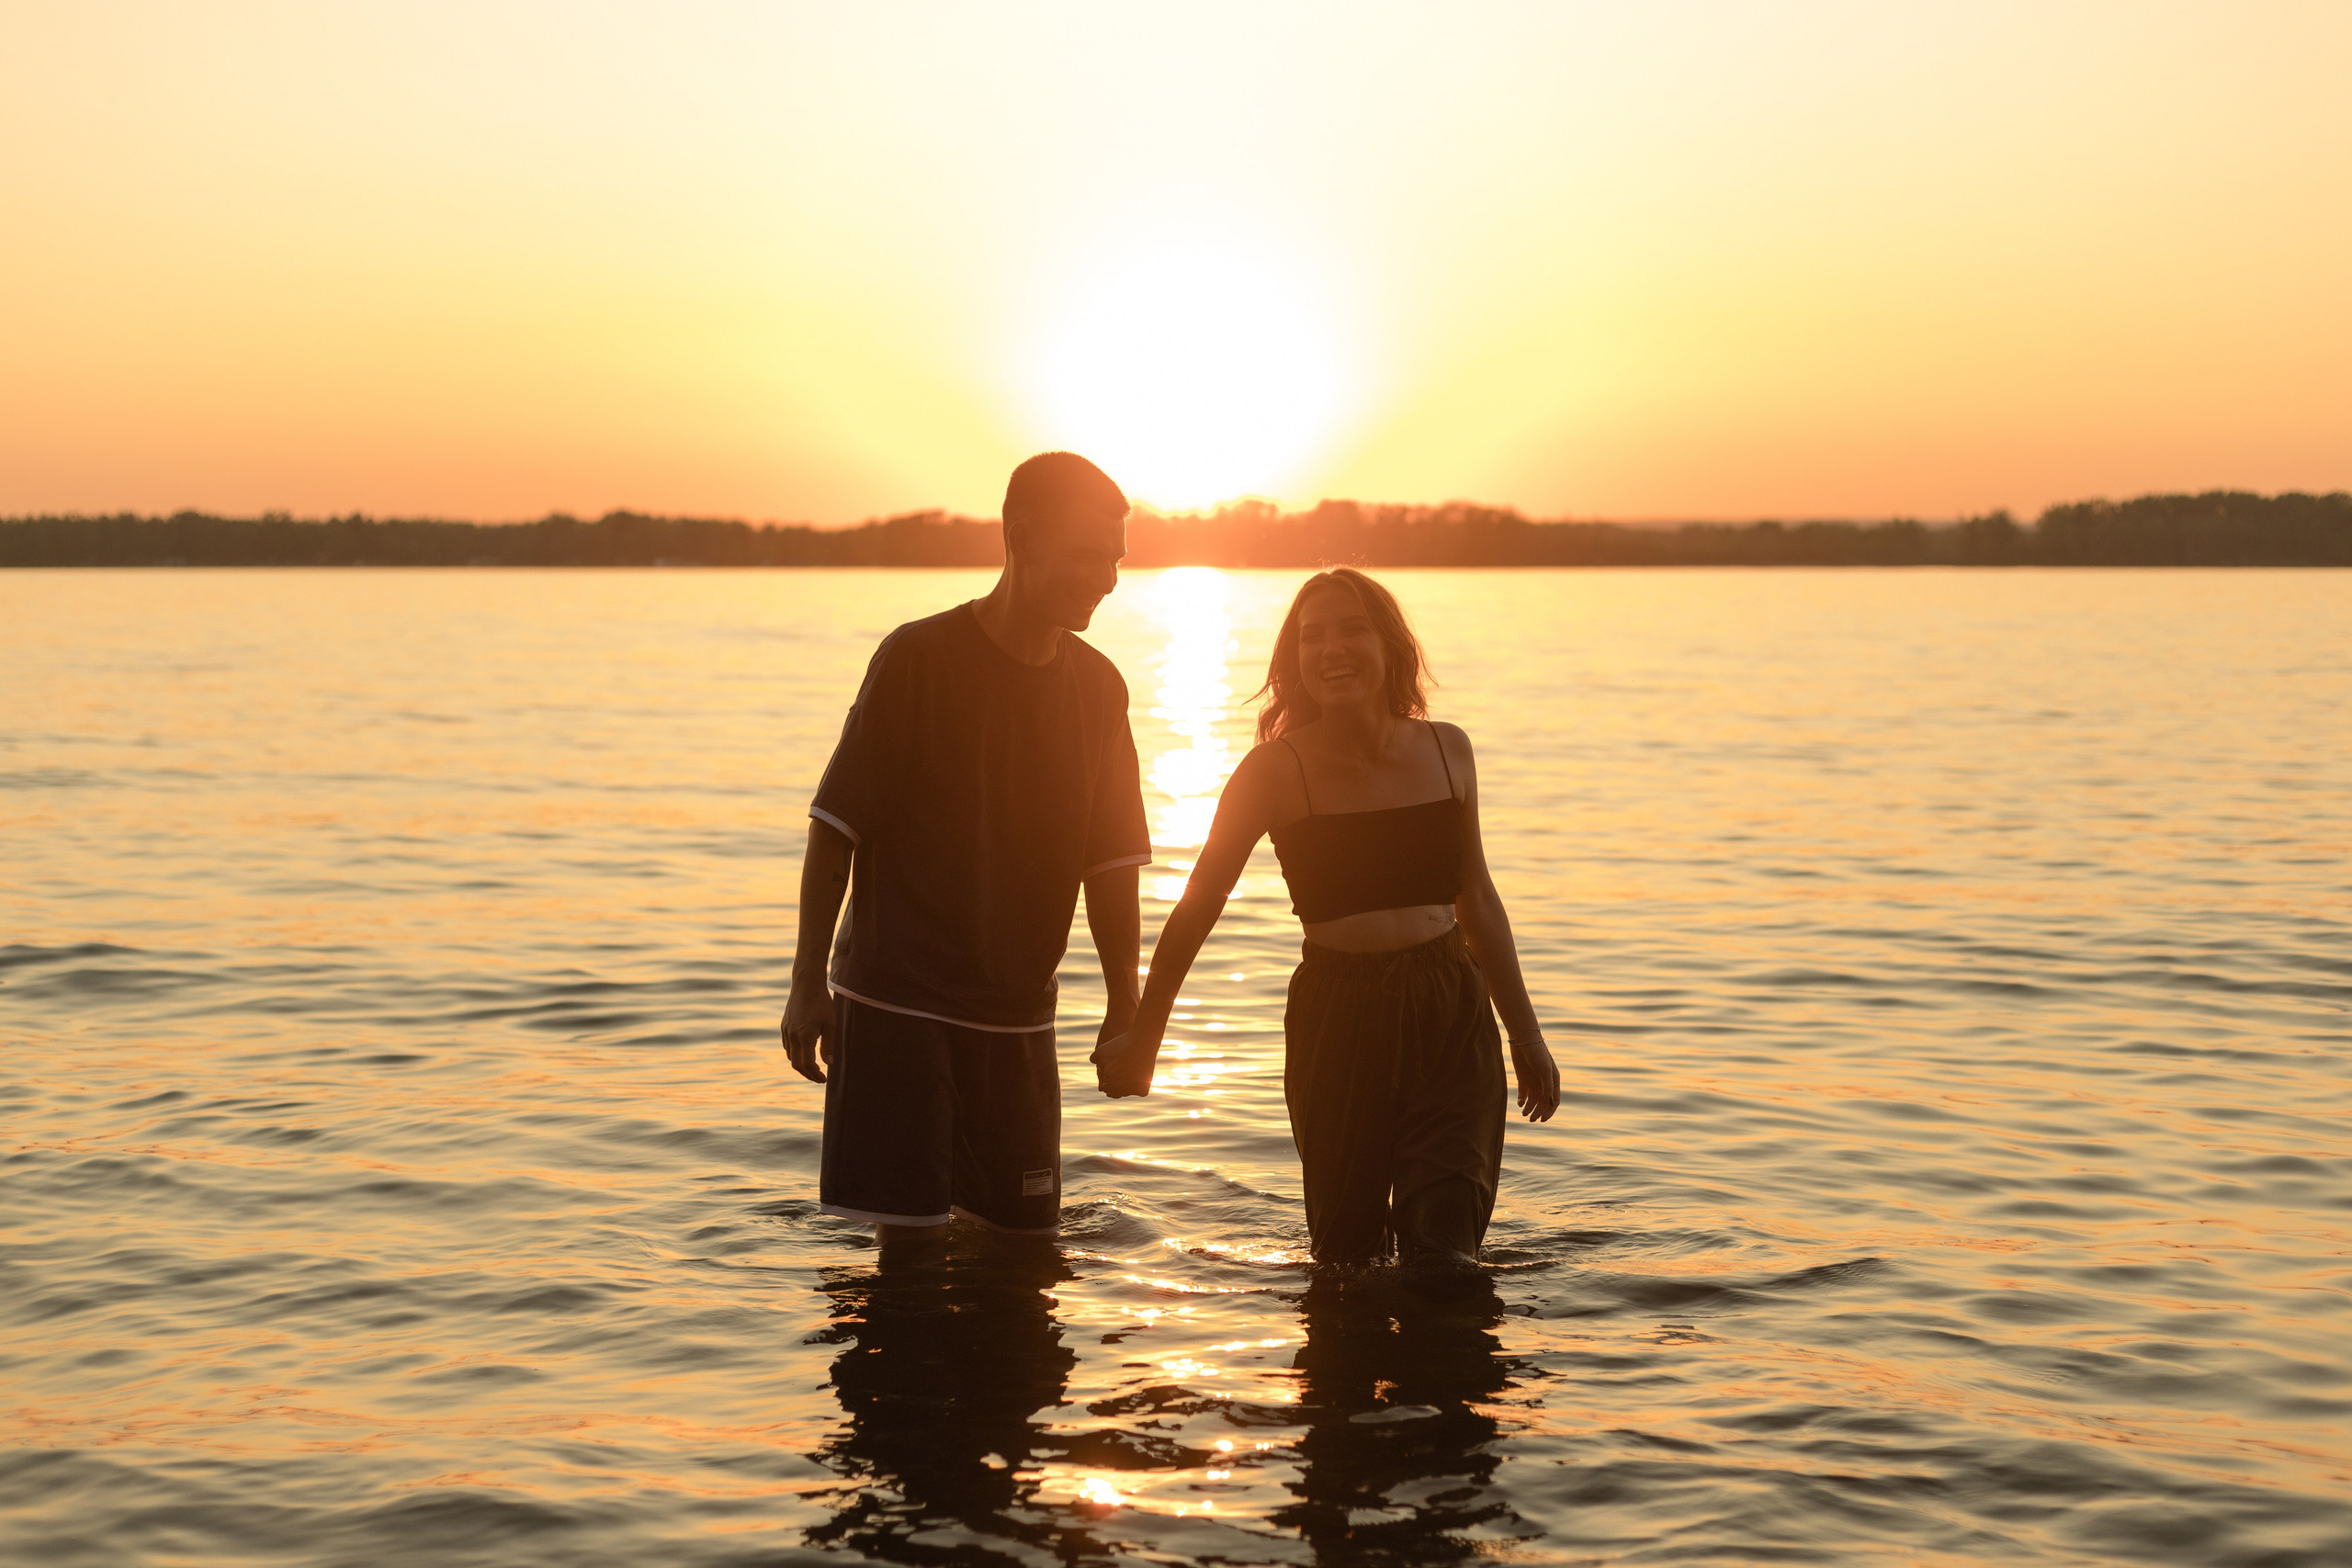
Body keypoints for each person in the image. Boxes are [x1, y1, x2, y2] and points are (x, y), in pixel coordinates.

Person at [1094, 568, 1559, 1267]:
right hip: (1340, 1015)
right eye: (1312, 636)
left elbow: (1479, 900)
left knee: (1445, 1251)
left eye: (1351, 629)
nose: (1331, 649)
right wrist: (1146, 1035)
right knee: (1345, 1257)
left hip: (1450, 1010)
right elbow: (1198, 906)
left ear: (1390, 645)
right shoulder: (1273, 772)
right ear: (1294, 662)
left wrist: (1525, 1032)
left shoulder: (1446, 749)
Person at [780, 452, 1148, 1258]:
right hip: (897, 1012)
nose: (1107, 579)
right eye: (1087, 554)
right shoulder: (917, 660)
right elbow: (833, 827)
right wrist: (808, 983)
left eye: (1115, 558)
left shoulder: (1100, 689)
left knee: (1026, 1264)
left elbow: (1112, 867)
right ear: (1020, 537)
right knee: (907, 1269)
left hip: (1019, 1020)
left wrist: (1129, 1002)